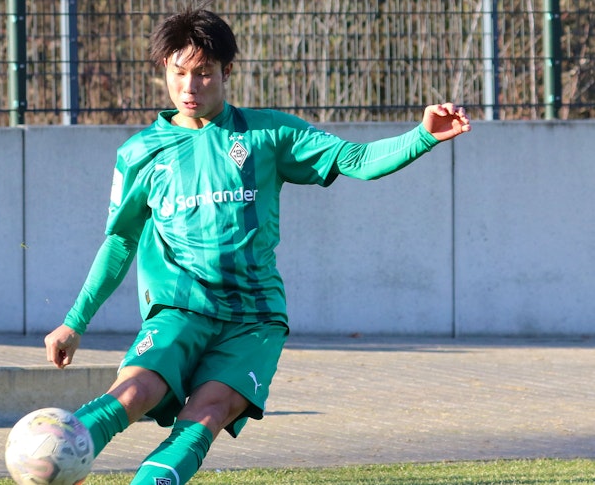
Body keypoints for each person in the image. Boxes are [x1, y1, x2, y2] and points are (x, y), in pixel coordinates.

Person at [43, 2, 472, 484]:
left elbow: (357, 159)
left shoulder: (269, 134)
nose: (190, 87)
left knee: (206, 414)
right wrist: (73, 323)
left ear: (227, 71)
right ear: (165, 67)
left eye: (204, 74)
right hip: (178, 308)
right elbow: (120, 242)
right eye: (180, 72)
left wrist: (422, 136)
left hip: (254, 317)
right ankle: (54, 456)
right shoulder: (140, 154)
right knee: (134, 392)